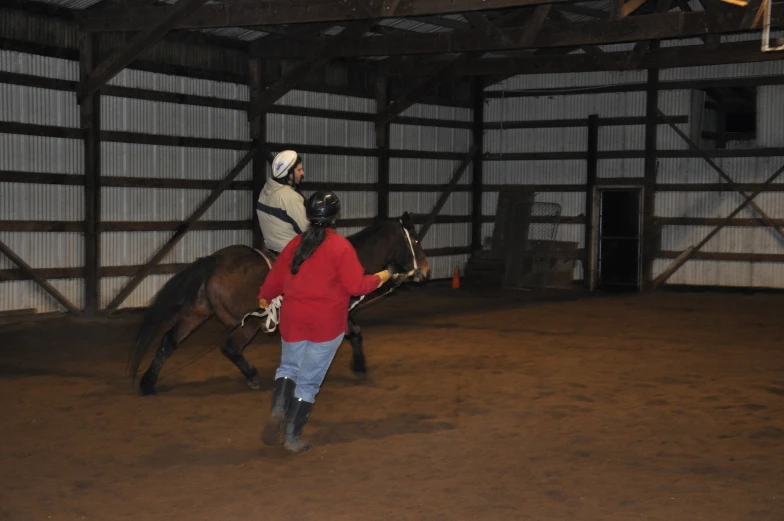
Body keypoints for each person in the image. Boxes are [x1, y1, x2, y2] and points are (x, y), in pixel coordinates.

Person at [257, 190, 391, 454]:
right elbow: (355, 285)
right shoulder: (341, 247)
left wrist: (264, 297)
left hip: (294, 319)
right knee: (308, 382)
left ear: (309, 215)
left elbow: (275, 279)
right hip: (326, 324)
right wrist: (380, 277)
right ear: (335, 217)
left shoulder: (296, 243)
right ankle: (292, 438)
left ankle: (278, 410)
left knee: (288, 367)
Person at [256, 150, 309, 254]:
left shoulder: (266, 189)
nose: (302, 173)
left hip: (270, 248)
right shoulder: (290, 197)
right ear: (289, 173)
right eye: (299, 170)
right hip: (289, 252)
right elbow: (306, 230)